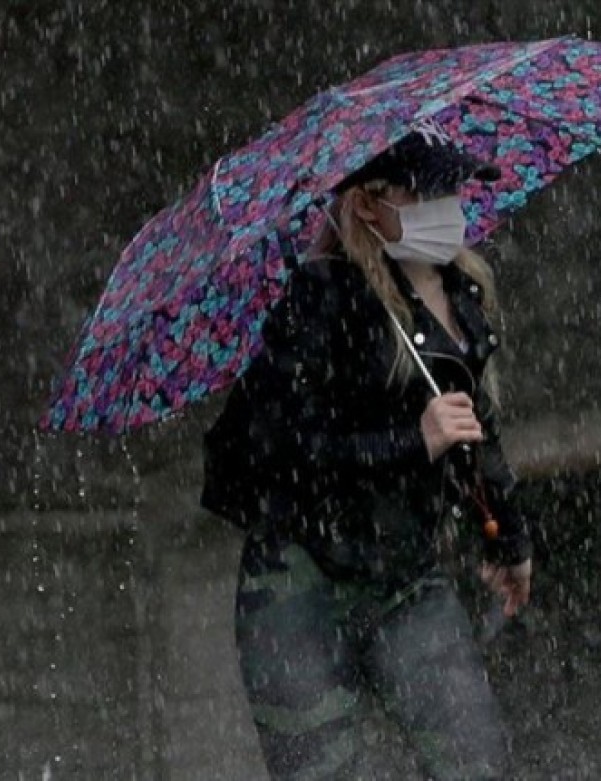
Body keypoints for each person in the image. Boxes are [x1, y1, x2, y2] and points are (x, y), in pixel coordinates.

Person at [201, 119, 534, 780]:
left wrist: (510, 539)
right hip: (299, 580)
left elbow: (477, 428)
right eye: (427, 196)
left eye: (456, 191)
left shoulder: (461, 298)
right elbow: (285, 448)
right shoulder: (317, 302)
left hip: (405, 572)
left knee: (478, 761)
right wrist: (413, 440)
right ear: (366, 205)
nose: (450, 211)